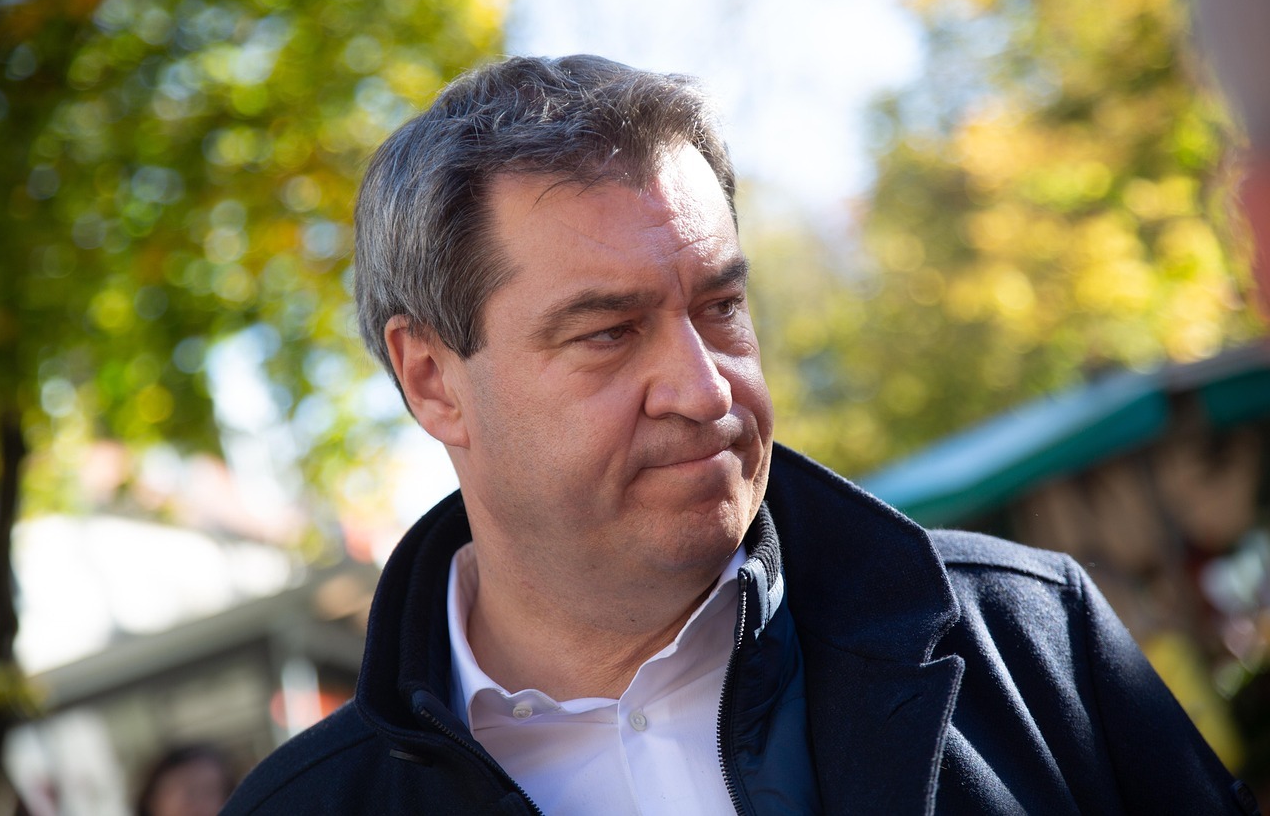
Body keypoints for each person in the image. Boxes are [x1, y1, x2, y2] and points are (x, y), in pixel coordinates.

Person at [223, 55, 1259, 815]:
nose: (702, 385)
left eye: (720, 307)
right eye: (607, 332)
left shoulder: (1028, 642)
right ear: (431, 379)